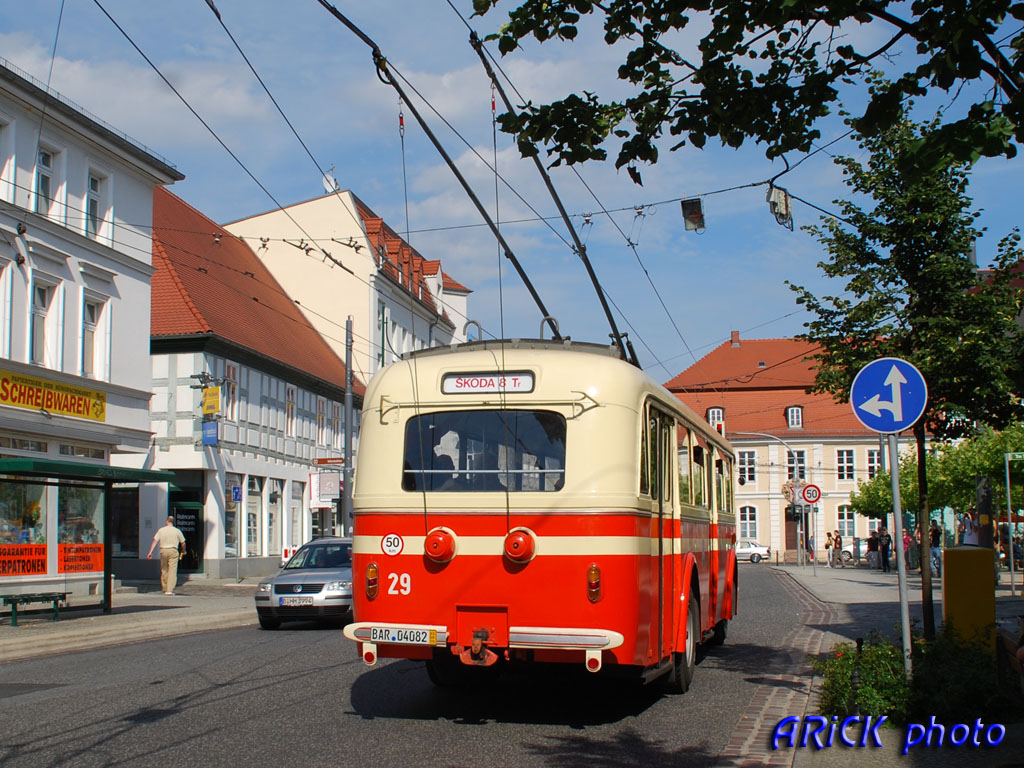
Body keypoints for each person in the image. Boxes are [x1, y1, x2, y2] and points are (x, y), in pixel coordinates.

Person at [147, 516, 186, 595]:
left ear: (167, 522)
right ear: (173, 522)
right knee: (172, 570)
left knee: (164, 569)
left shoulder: (161, 530)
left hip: (163, 550)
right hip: (173, 550)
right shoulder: (177, 531)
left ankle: (164, 587)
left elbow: (155, 541)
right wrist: (183, 550)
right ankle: (169, 590)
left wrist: (150, 552)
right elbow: (183, 542)